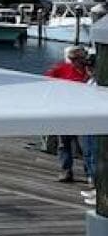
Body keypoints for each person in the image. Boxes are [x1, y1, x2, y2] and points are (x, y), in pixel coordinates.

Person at [45, 46, 90, 183]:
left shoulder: (90, 72)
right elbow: (46, 81)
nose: (78, 61)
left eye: (80, 59)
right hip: (65, 110)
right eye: (74, 59)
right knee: (64, 144)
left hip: (85, 112)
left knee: (86, 146)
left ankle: (91, 175)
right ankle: (66, 171)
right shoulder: (61, 68)